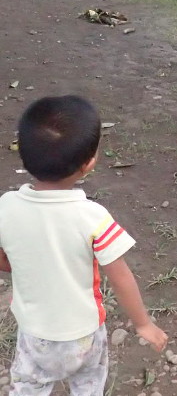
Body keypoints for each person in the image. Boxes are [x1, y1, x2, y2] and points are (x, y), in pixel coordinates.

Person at [0, 95, 168, 395]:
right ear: (89, 163)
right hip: (84, 334)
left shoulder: (6, 208)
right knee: (88, 386)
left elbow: (5, 258)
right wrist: (143, 324)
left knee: (28, 387)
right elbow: (121, 277)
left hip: (34, 334)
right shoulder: (92, 217)